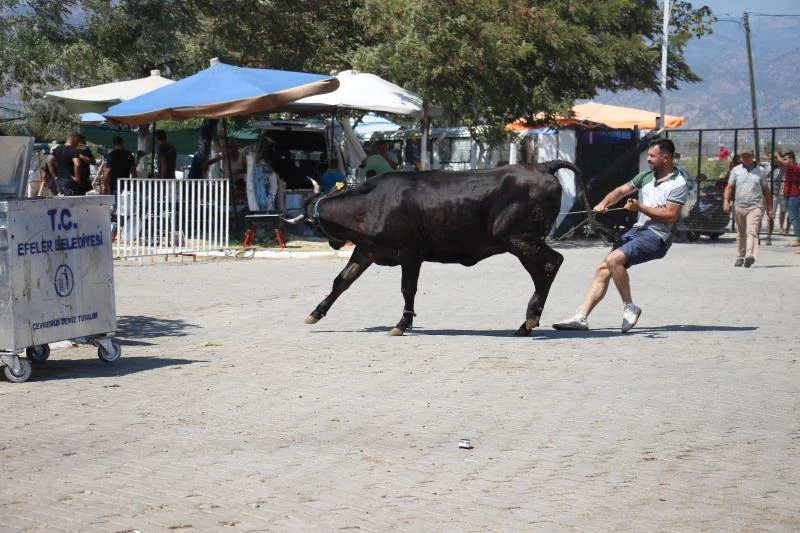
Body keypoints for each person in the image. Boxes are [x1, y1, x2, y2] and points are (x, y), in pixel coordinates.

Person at [552, 138, 688, 333]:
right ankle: (581, 317)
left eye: (652, 156)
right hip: (639, 230)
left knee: (614, 260)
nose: (648, 159)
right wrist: (604, 203)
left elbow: (670, 216)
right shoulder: (647, 176)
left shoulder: (678, 183)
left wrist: (639, 206)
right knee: (603, 269)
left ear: (666, 158)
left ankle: (630, 307)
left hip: (657, 236)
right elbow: (621, 190)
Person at [722, 148, 771, 267]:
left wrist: (769, 207)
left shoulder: (761, 171)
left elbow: (766, 190)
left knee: (752, 231)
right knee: (741, 233)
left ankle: (750, 256)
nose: (745, 158)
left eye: (747, 156)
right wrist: (726, 201)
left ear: (752, 156)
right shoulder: (736, 170)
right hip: (739, 206)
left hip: (754, 207)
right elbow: (729, 187)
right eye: (743, 156)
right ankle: (740, 256)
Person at [772, 150, 800, 247]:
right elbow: (778, 162)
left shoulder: (793, 167)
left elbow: (779, 162)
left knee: (794, 218)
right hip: (790, 195)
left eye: (786, 159)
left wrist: (777, 156)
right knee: (794, 218)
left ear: (791, 160)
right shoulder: (790, 168)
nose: (783, 161)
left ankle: (798, 239)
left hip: (793, 196)